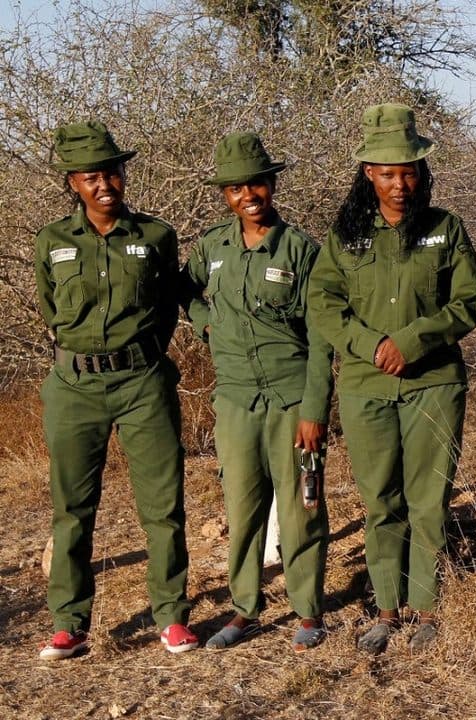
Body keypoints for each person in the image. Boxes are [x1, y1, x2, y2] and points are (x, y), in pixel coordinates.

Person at [309, 104, 476, 654]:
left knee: (429, 497)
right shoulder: (345, 235)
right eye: (387, 172)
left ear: (422, 171)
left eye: (409, 171)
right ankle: (386, 607)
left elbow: (471, 300)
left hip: (433, 382)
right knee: (381, 498)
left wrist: (413, 341)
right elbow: (324, 305)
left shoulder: (445, 228)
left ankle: (427, 606)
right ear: (368, 173)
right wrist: (372, 345)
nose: (400, 183)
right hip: (365, 387)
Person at [35, 121, 195, 659]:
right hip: (74, 386)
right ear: (73, 184)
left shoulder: (156, 237)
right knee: (73, 508)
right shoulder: (52, 241)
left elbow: (169, 307)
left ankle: (171, 617)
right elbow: (49, 309)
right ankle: (70, 624)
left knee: (162, 505)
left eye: (112, 171)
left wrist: (139, 357)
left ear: (124, 174)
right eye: (90, 176)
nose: (104, 183)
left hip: (142, 382)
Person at [183, 133, 334, 652]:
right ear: (225, 195)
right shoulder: (211, 247)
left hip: (291, 399)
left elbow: (321, 340)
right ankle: (245, 609)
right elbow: (186, 290)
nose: (248, 195)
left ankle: (309, 609)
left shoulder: (301, 250)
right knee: (243, 507)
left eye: (257, 184)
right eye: (236, 188)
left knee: (301, 507)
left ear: (271, 186)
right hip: (235, 401)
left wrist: (315, 409)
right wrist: (205, 323)